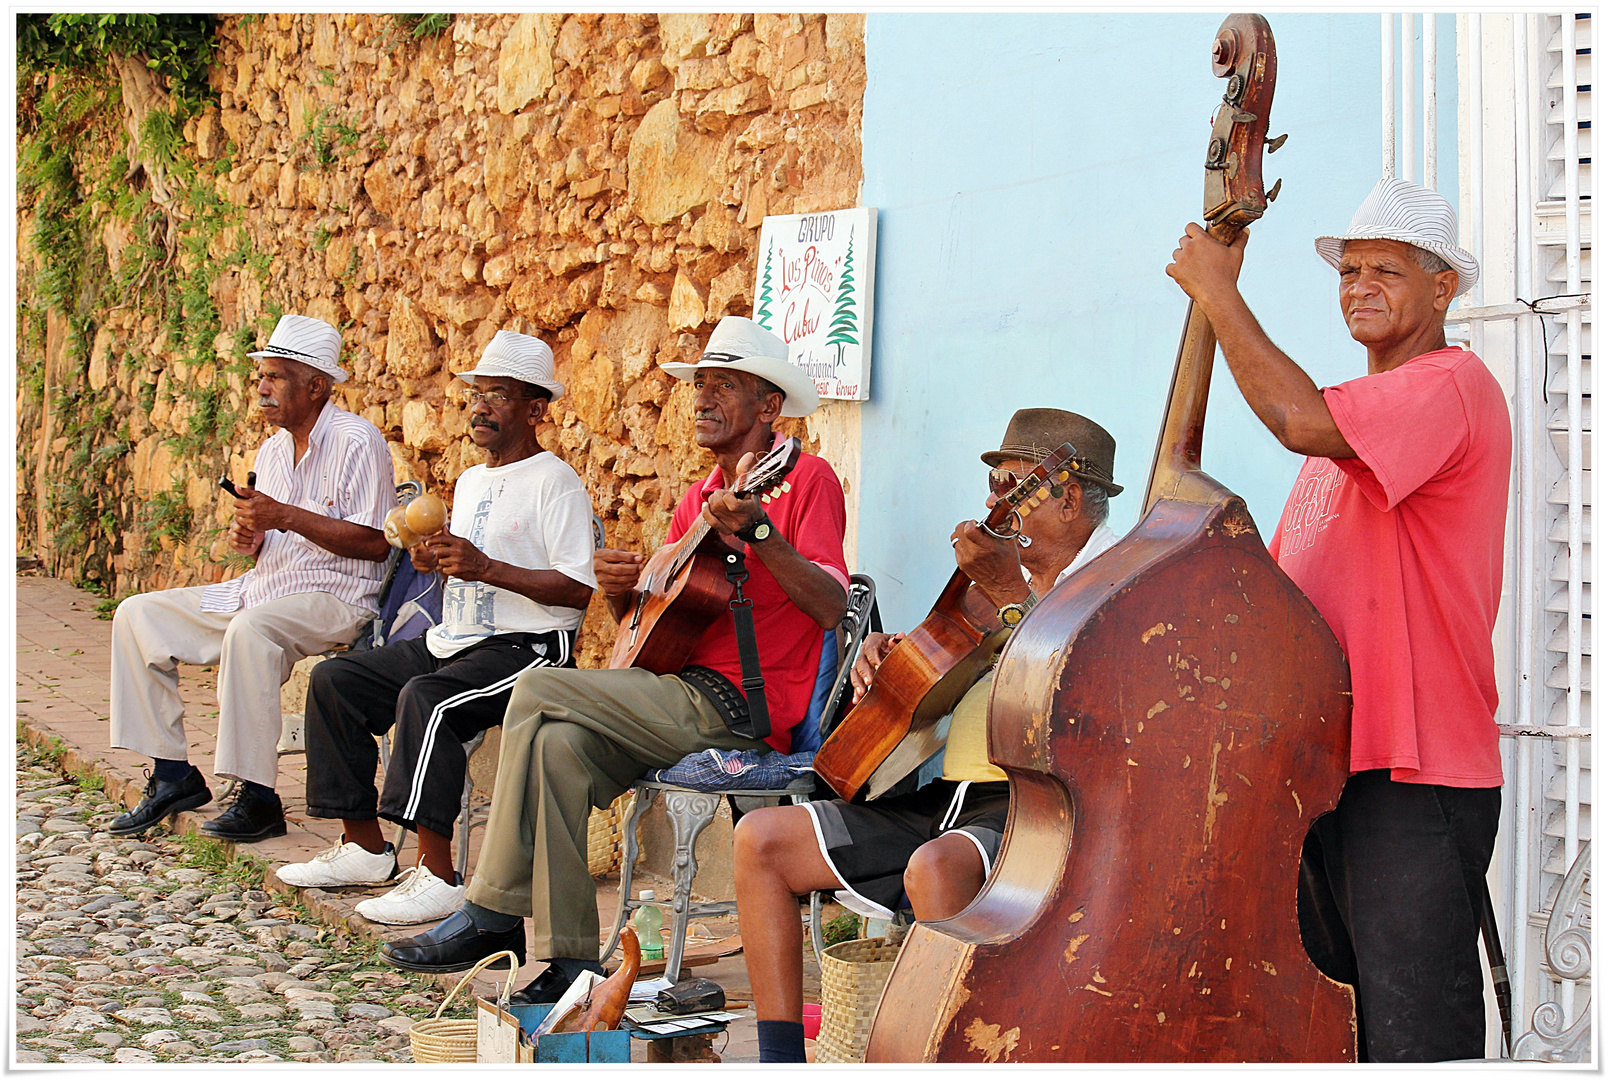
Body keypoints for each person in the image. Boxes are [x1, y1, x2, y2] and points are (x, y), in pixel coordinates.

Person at [379, 316, 850, 1002]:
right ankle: (572, 963)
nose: (701, 400)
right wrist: (623, 590)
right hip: (673, 692)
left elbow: (832, 605)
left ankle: (491, 911)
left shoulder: (804, 480)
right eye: (699, 387)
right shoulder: (696, 498)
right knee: (558, 749)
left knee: (537, 691)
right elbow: (654, 626)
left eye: (722, 386)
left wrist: (761, 531)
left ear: (769, 406)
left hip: (741, 708)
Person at [1166, 177, 1510, 1062]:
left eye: (1386, 271)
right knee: (1336, 1027)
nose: (1359, 287)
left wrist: (1217, 290)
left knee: (1414, 1037)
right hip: (1330, 766)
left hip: (1415, 764)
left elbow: (1293, 416)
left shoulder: (1448, 385)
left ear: (1443, 289)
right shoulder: (1348, 438)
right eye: (1349, 271)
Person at [731, 409, 1123, 1063]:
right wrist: (888, 660)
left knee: (937, 868)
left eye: (1010, 486)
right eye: (993, 487)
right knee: (762, 842)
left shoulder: (1116, 582)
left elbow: (1078, 695)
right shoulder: (993, 585)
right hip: (949, 796)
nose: (993, 504)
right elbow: (936, 672)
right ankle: (780, 1063)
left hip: (1043, 805)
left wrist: (1005, 590)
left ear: (1070, 493)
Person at [274, 331, 597, 926]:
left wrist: (485, 567)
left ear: (535, 409)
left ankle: (439, 875)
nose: (480, 408)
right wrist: (437, 563)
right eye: (477, 395)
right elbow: (467, 570)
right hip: (455, 639)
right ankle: (365, 847)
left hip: (529, 647)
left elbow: (579, 591)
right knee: (335, 680)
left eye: (499, 396)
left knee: (429, 700)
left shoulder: (556, 482)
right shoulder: (473, 481)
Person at [108, 314, 395, 843]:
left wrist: (282, 516)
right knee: (137, 615)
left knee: (251, 631)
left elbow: (375, 543)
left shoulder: (358, 440)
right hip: (266, 589)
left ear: (316, 385)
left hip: (338, 595)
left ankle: (258, 795)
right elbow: (272, 532)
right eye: (260, 376)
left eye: (276, 376)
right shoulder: (272, 450)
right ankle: (173, 774)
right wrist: (254, 536)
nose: (262, 387)